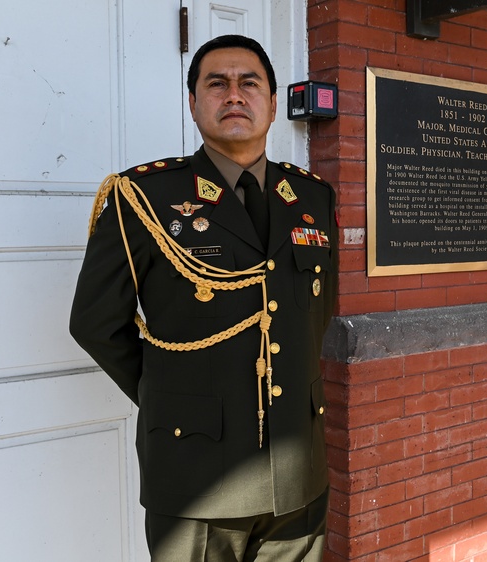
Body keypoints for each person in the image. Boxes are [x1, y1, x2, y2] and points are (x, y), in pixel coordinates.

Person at [69, 34, 337, 561]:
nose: (234, 95)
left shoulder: (311, 197)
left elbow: (316, 313)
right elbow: (96, 323)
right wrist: (173, 395)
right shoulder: (144, 197)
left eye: (249, 83)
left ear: (273, 103)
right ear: (194, 103)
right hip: (196, 479)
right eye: (217, 84)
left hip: (298, 471)